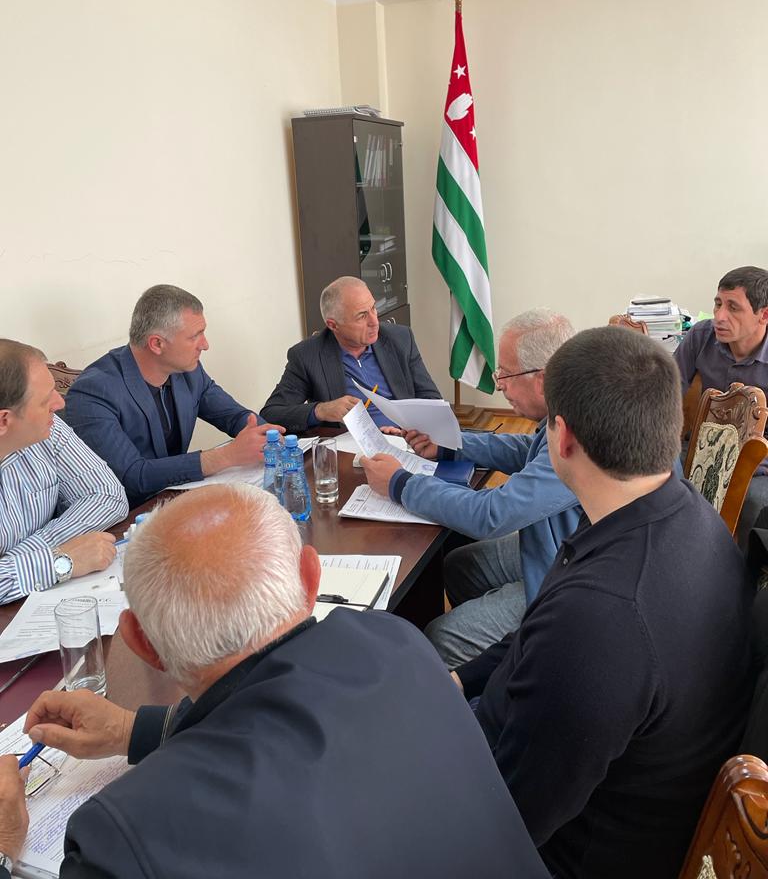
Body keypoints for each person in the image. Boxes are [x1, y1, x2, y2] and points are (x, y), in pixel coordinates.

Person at [0, 486, 550, 879]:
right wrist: (132, 732)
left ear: (141, 644)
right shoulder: (399, 643)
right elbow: (288, 730)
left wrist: (4, 847)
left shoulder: (121, 837)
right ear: (311, 579)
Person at [454, 327, 753, 879]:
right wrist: (461, 679)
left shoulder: (601, 619)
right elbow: (541, 630)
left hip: (565, 851)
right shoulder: (679, 512)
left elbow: (503, 825)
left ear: (562, 436)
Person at [362, 309, 581, 667]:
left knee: (441, 638)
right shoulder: (568, 405)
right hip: (559, 545)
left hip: (571, 581)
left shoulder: (576, 434)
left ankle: (506, 666)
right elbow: (527, 450)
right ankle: (498, 662)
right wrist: (450, 446)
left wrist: (400, 483)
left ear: (542, 380)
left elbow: (490, 514)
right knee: (459, 566)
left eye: (505, 373)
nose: (499, 384)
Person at [67, 284, 281, 507]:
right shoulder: (93, 392)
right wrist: (226, 456)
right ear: (157, 344)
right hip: (124, 514)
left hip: (173, 500)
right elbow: (132, 476)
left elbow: (234, 416)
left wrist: (267, 438)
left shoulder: (188, 371)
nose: (205, 345)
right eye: (195, 336)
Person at [0, 340, 127, 605]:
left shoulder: (47, 427)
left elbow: (109, 496)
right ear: (4, 421)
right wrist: (59, 560)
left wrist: (22, 559)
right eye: (45, 400)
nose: (59, 403)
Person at [260, 276, 441, 432]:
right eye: (362, 316)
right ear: (333, 325)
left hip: (405, 439)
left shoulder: (400, 339)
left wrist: (411, 434)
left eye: (373, 308)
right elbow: (271, 414)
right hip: (351, 450)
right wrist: (320, 410)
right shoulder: (307, 356)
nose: (374, 321)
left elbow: (433, 402)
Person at [674, 265, 768, 543]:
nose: (719, 316)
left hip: (759, 463)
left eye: (733, 308)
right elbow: (668, 393)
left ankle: (736, 568)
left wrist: (744, 466)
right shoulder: (701, 335)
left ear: (764, 315)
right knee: (656, 482)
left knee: (754, 504)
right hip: (702, 448)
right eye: (718, 304)